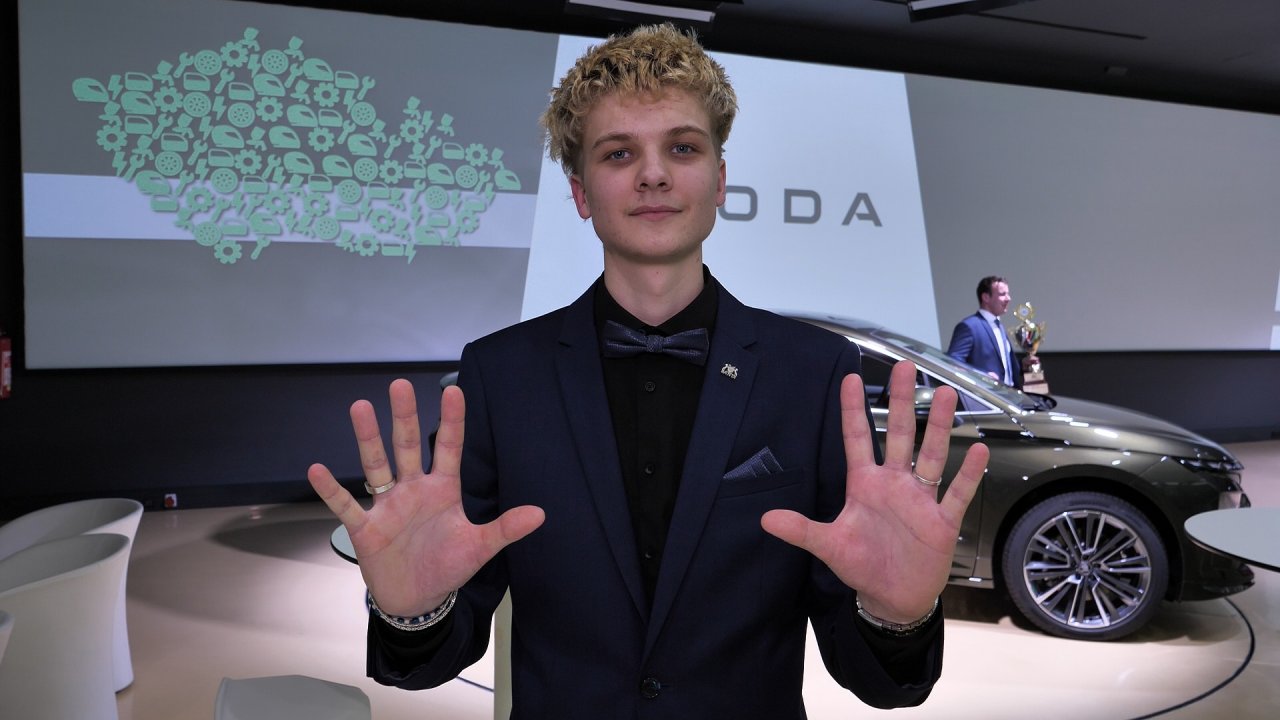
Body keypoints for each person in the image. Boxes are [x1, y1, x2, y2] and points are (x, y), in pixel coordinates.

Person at [307, 24, 987, 717]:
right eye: (619, 153)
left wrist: (895, 615)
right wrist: (412, 614)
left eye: (682, 147)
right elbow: (436, 655)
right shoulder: (502, 377)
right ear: (581, 193)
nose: (653, 174)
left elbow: (875, 678)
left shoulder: (812, 374)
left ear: (720, 180)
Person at [946, 275, 1023, 388]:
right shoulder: (969, 326)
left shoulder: (999, 325)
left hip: (1009, 395)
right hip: (986, 395)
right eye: (1002, 294)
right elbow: (954, 362)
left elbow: (1004, 366)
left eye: (1008, 293)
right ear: (986, 297)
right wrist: (981, 376)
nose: (1008, 298)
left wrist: (1024, 365)